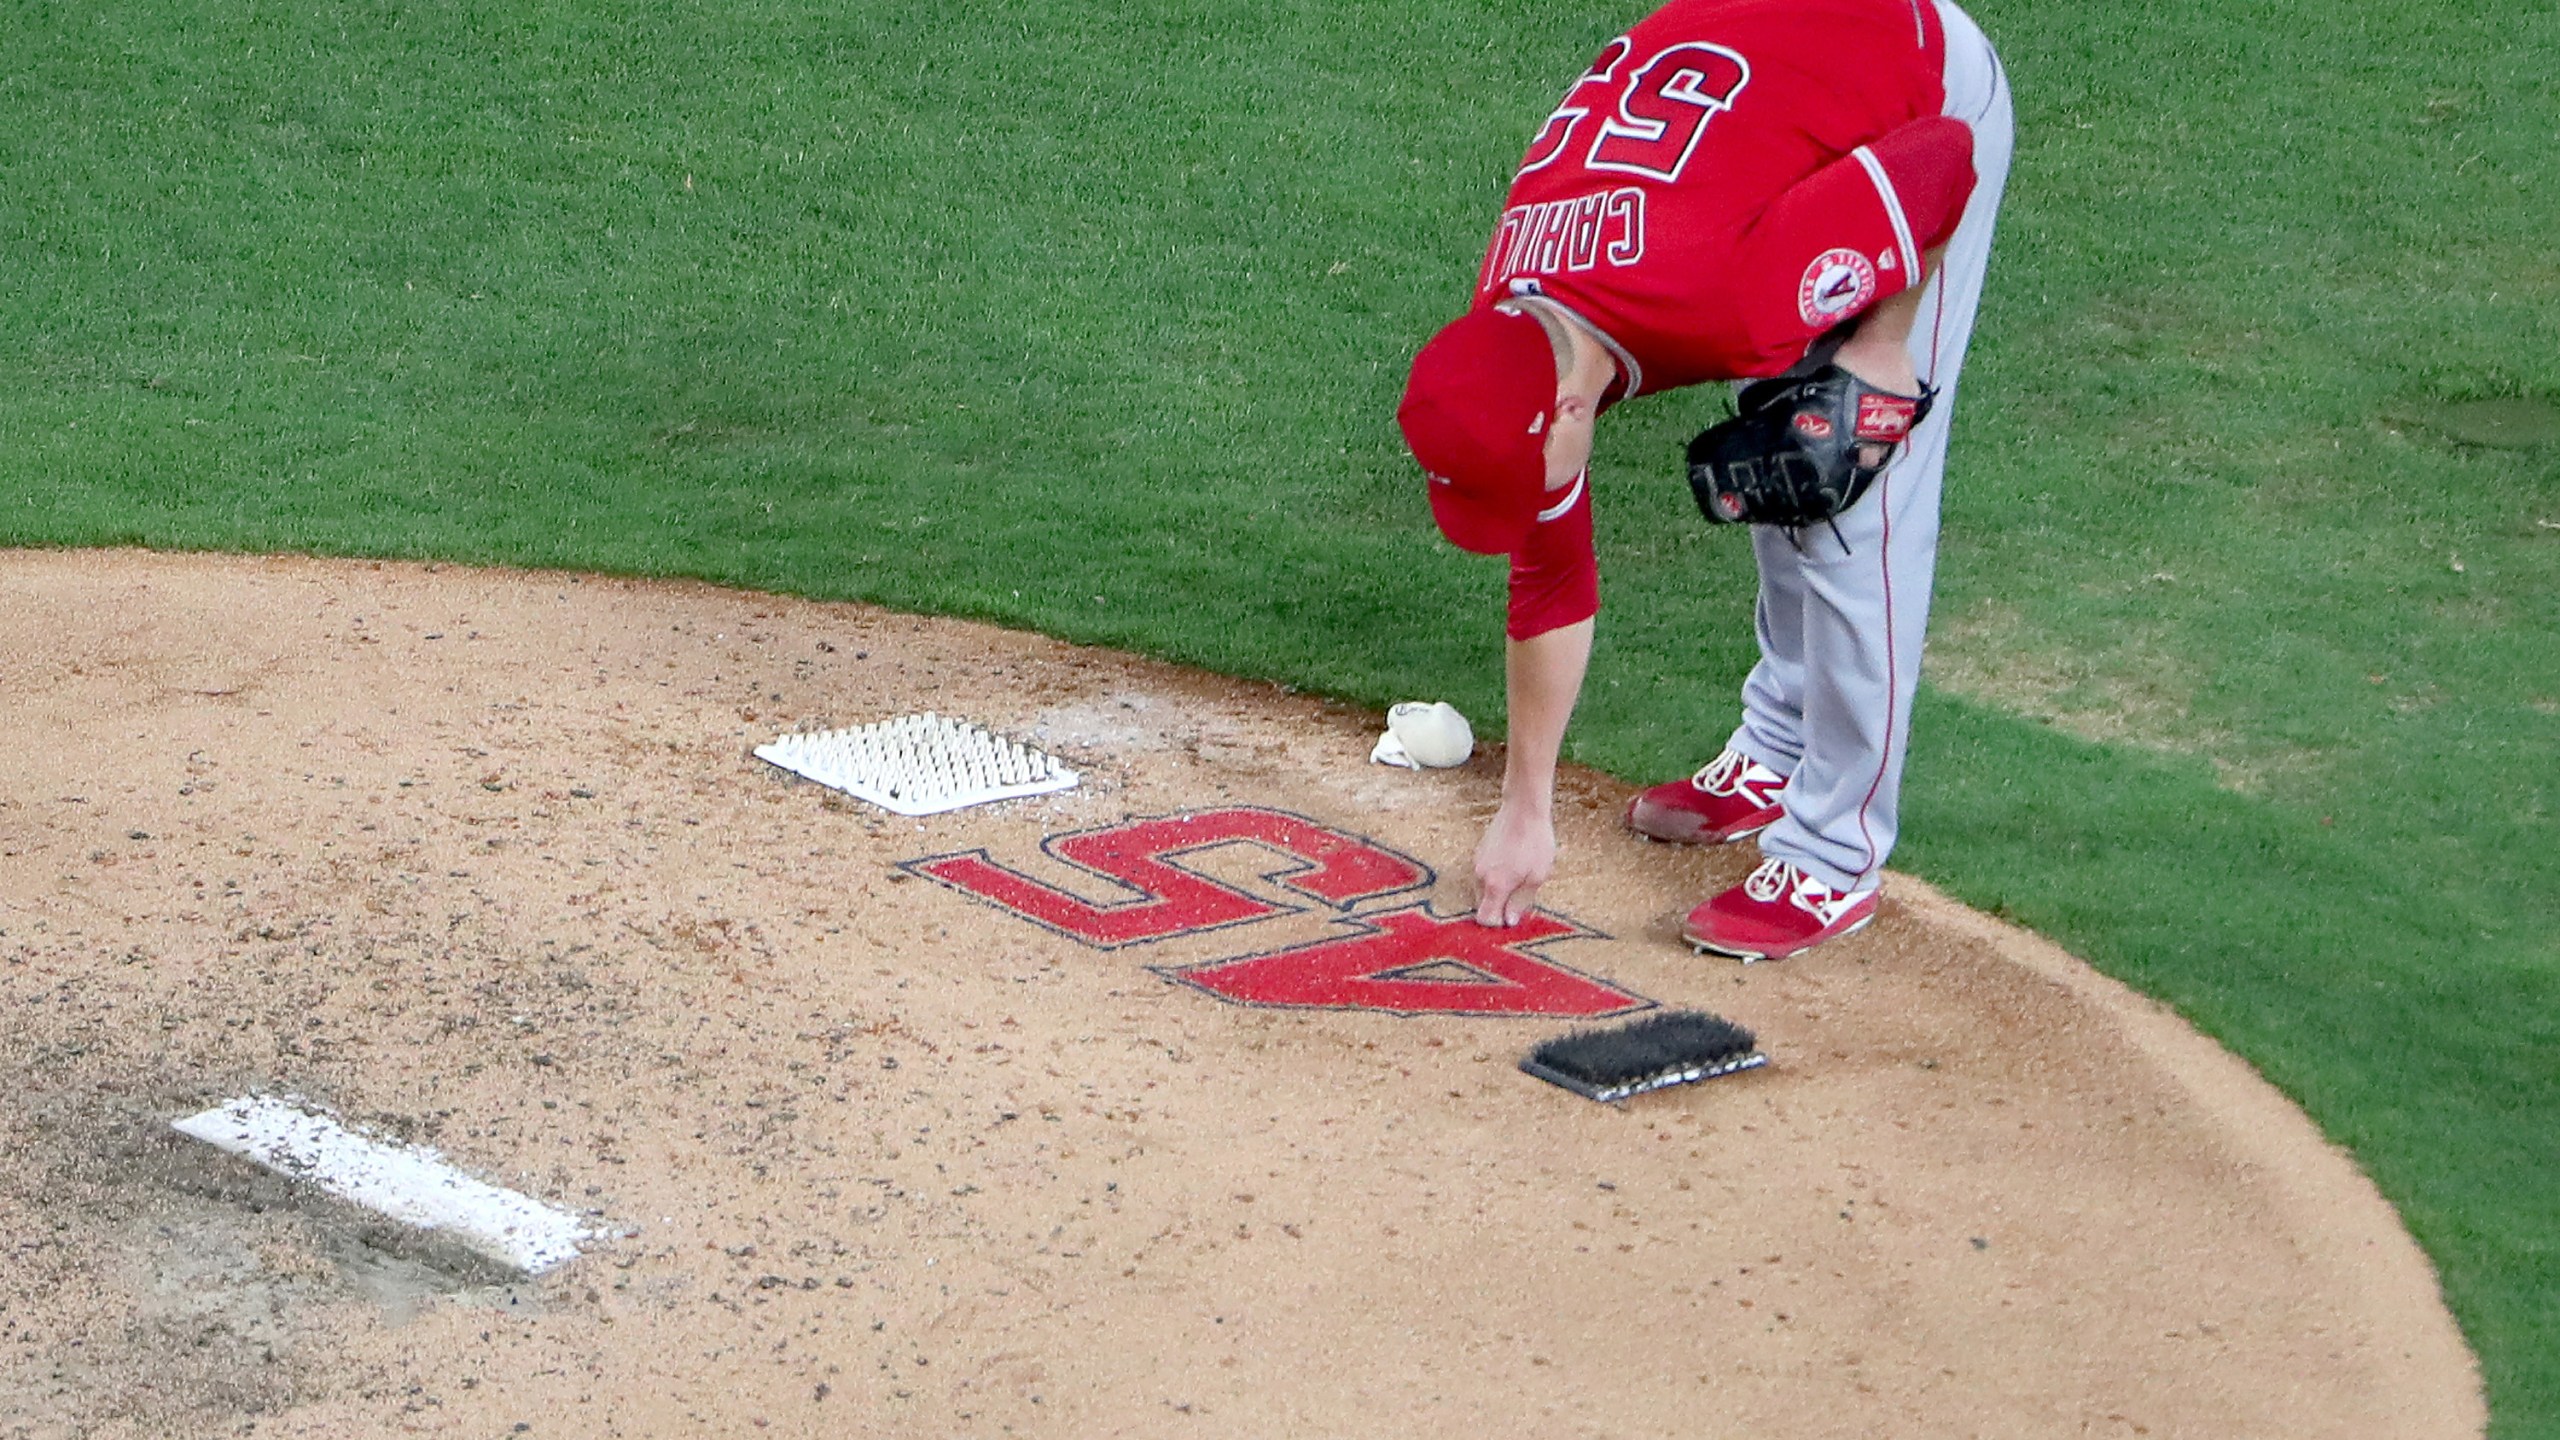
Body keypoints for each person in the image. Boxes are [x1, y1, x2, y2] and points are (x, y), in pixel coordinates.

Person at [1396, 0, 2011, 961]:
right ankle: (1776, 746)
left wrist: (1884, 348)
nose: (1524, 510)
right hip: (1757, 122)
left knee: (1849, 490)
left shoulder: (1730, 286)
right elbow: (1549, 579)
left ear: (1563, 413)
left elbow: (1939, 163)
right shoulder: (1508, 332)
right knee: (1780, 452)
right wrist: (1525, 809)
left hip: (1911, 76)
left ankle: (1834, 856)